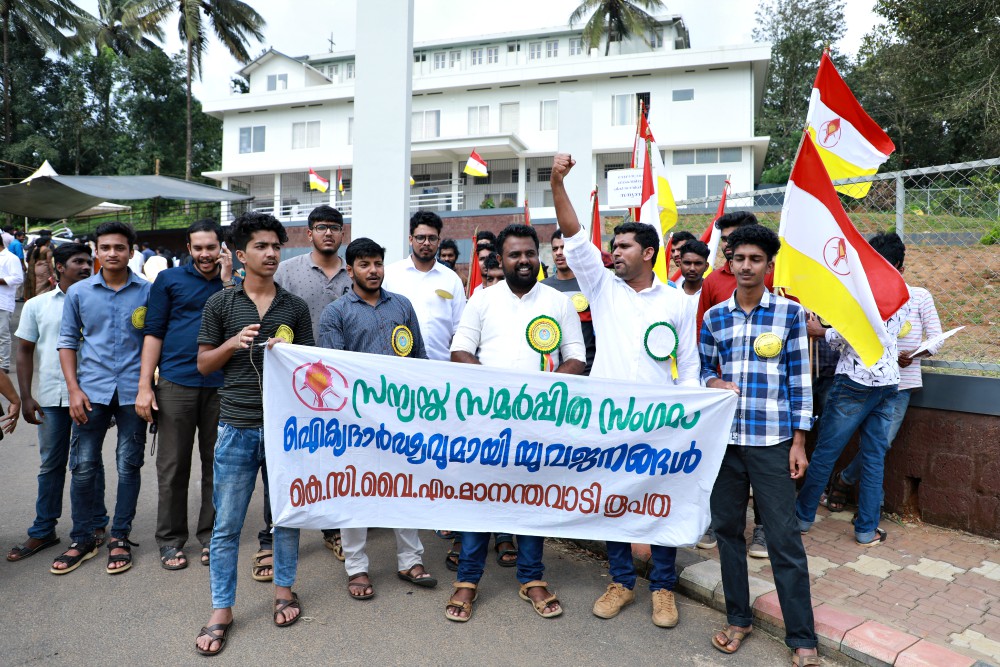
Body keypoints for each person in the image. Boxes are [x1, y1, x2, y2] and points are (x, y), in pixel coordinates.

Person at [551, 153, 698, 629]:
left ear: (649, 253)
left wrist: (690, 416)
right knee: (613, 499)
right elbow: (574, 234)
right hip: (608, 418)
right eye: (612, 245)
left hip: (660, 422)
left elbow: (689, 364)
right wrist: (556, 182)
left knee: (661, 502)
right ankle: (620, 582)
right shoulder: (602, 288)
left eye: (624, 246)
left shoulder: (677, 300)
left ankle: (663, 588)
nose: (614, 252)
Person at [445, 223, 585, 622]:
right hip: (487, 422)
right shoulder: (482, 299)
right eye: (514, 255)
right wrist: (501, 390)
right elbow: (459, 351)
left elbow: (576, 356)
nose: (523, 261)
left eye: (528, 254)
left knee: (531, 500)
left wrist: (542, 389)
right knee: (480, 498)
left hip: (540, 422)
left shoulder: (558, 302)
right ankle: (467, 580)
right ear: (500, 260)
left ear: (536, 256)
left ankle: (532, 578)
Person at [699, 224, 820, 665]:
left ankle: (802, 639)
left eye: (756, 259)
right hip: (726, 445)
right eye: (739, 259)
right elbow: (701, 370)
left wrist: (799, 442)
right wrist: (713, 380)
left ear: (769, 265)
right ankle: (738, 619)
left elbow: (800, 380)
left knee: (785, 539)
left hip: (773, 441)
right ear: (729, 263)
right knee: (728, 532)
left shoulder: (789, 314)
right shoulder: (715, 317)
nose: (746, 266)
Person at [194, 211, 313, 656]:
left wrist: (295, 354)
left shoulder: (294, 307)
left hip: (286, 432)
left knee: (284, 515)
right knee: (227, 524)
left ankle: (284, 589)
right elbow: (203, 364)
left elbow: (313, 377)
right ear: (240, 255)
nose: (271, 254)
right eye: (261, 247)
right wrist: (232, 344)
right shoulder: (221, 305)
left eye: (276, 247)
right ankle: (222, 609)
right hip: (236, 429)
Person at [318, 237, 437, 600]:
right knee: (356, 490)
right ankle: (356, 567)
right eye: (365, 265)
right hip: (357, 422)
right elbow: (333, 372)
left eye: (378, 264)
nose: (373, 271)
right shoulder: (335, 313)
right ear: (350, 269)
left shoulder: (402, 305)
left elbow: (419, 358)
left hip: (403, 419)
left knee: (406, 486)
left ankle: (410, 560)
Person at [135, 220, 236, 571]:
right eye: (199, 248)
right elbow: (153, 332)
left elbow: (239, 326)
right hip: (176, 383)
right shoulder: (169, 281)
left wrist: (227, 282)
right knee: (173, 466)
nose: (206, 254)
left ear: (221, 247)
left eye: (212, 247)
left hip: (223, 386)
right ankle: (170, 539)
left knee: (218, 465)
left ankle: (210, 535)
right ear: (189, 248)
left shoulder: (234, 283)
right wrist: (145, 386)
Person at [796, 235, 908, 548]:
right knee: (874, 457)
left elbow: (855, 333)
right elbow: (887, 333)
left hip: (854, 381)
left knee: (827, 452)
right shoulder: (904, 291)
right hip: (888, 382)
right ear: (899, 264)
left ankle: (802, 518)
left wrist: (822, 332)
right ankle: (865, 529)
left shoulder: (862, 290)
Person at [53, 222, 150, 576]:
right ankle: (84, 536)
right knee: (83, 466)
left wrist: (147, 386)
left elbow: (155, 341)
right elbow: (67, 342)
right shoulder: (79, 293)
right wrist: (74, 389)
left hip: (132, 393)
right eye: (106, 247)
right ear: (96, 251)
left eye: (120, 248)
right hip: (90, 391)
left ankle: (120, 536)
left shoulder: (148, 292)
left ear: (131, 252)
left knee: (129, 464)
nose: (112, 253)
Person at [824, 232, 941, 514]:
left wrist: (914, 355)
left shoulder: (918, 296)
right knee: (840, 440)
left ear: (901, 266)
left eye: (889, 266)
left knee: (882, 443)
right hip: (860, 381)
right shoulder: (860, 297)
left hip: (900, 384)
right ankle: (868, 513)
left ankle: (845, 482)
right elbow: (846, 338)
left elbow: (937, 339)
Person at [8, 244, 104, 562]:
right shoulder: (37, 306)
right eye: (78, 262)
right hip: (50, 396)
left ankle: (94, 526)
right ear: (58, 267)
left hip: (92, 395)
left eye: (89, 261)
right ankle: (43, 530)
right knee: (51, 464)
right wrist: (25, 396)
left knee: (88, 464)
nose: (86, 266)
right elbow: (23, 350)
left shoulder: (100, 300)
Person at [273, 204, 351, 562]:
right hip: (298, 382)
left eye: (335, 227)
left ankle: (334, 529)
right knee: (294, 455)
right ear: (310, 233)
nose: (329, 233)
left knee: (337, 457)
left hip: (345, 385)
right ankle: (274, 530)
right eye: (322, 227)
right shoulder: (287, 272)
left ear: (342, 233)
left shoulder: (356, 273)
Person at [695, 211, 773, 556]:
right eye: (727, 241)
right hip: (724, 404)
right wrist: (712, 381)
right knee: (722, 467)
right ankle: (718, 521)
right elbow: (702, 345)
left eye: (737, 238)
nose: (735, 253)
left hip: (766, 402)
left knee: (768, 476)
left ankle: (763, 530)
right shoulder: (712, 282)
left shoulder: (775, 276)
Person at [542, 229, 597, 374]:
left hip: (590, 370)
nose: (559, 252)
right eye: (555, 249)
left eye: (563, 247)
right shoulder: (541, 288)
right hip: (553, 372)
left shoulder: (591, 285)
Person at [0, 234, 25, 373]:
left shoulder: (11, 258)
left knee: (2, 335)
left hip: (3, 302)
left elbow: (18, 278)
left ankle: (3, 365)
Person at [676, 239, 710, 309]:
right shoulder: (671, 294)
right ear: (680, 264)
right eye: (687, 263)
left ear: (706, 266)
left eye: (698, 264)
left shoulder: (712, 294)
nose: (692, 268)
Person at [26, 236, 54, 300]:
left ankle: (37, 298)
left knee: (38, 284)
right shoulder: (47, 249)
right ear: (47, 242)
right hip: (44, 268)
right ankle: (41, 299)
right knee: (45, 285)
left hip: (37, 267)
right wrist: (53, 273)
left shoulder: (36, 249)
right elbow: (49, 262)